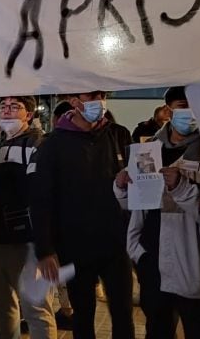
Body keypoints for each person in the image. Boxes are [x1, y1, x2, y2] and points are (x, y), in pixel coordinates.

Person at [115, 87, 200, 339]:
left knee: (199, 331)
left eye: (196, 106)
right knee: (157, 330)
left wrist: (182, 188)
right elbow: (138, 205)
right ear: (168, 110)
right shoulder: (148, 149)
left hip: (196, 264)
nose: (190, 113)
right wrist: (121, 187)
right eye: (183, 105)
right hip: (153, 260)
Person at [29, 91, 134, 339]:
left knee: (123, 314)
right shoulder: (52, 144)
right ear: (75, 101)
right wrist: (45, 250)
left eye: (102, 95)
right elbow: (41, 199)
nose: (100, 101)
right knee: (83, 317)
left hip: (116, 243)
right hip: (74, 245)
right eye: (92, 96)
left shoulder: (119, 135)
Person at [0, 96, 56, 339]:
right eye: (3, 106)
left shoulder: (39, 144)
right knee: (1, 306)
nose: (7, 111)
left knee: (35, 309)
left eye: (16, 107)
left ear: (29, 114)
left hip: (27, 239)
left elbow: (39, 188)